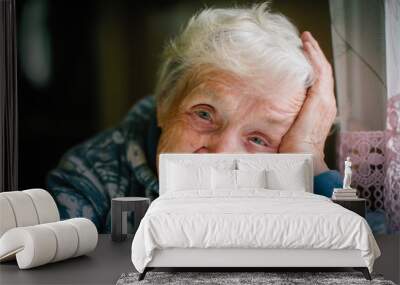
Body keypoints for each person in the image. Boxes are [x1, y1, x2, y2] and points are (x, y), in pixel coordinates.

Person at [46, 3, 342, 233]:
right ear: (165, 102)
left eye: (258, 139)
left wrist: (307, 154)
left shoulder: (288, 166)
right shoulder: (90, 177)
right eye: (204, 114)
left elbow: (355, 260)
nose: (223, 153)